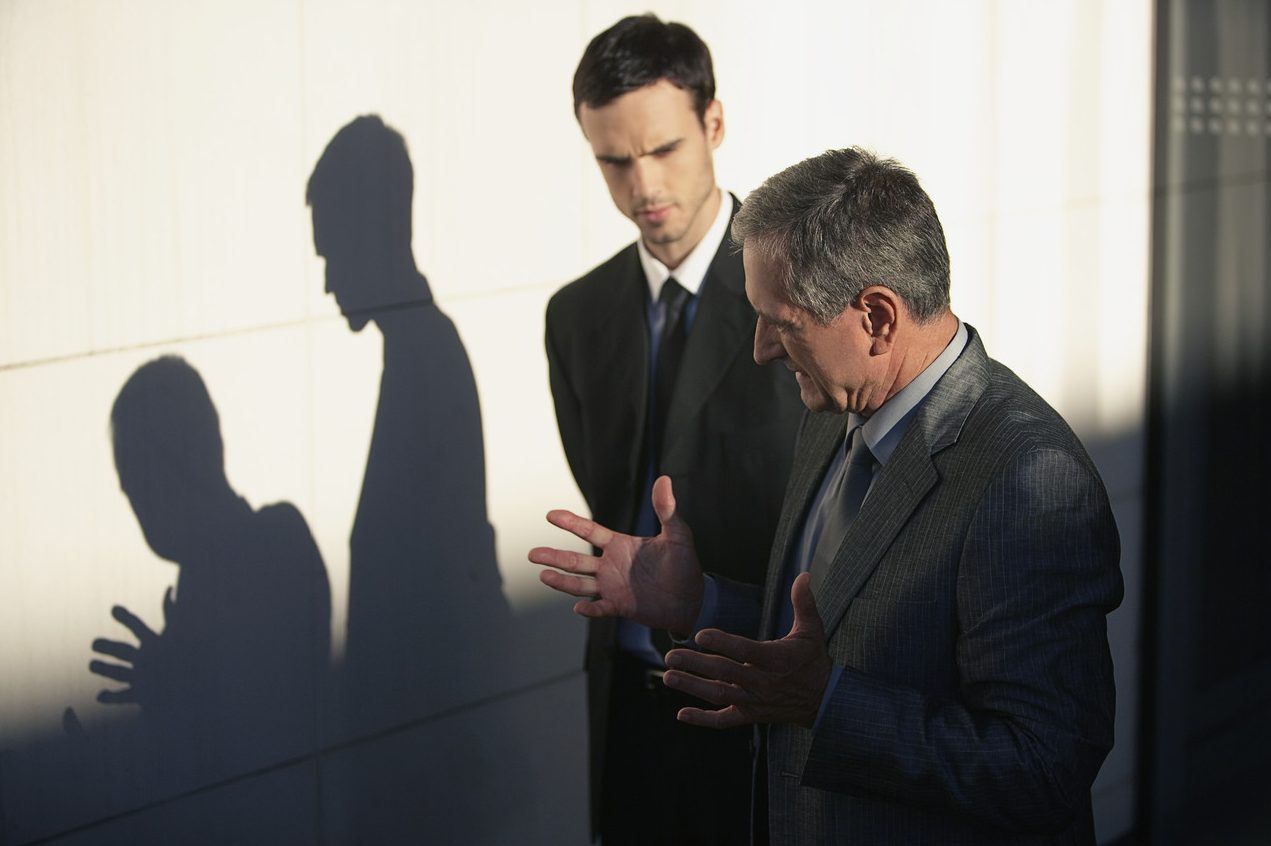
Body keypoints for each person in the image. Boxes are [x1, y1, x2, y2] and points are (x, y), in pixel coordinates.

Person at [533, 147, 1124, 845]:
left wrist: (828, 704)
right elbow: (828, 637)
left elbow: (1044, 767)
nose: (761, 349)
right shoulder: (829, 413)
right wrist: (701, 603)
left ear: (876, 317)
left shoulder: (1029, 479)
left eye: (781, 324)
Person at [544, 14, 803, 845]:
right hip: (627, 701)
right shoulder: (576, 317)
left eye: (662, 149)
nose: (642, 184)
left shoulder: (802, 297)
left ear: (713, 123)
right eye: (613, 161)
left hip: (761, 697)